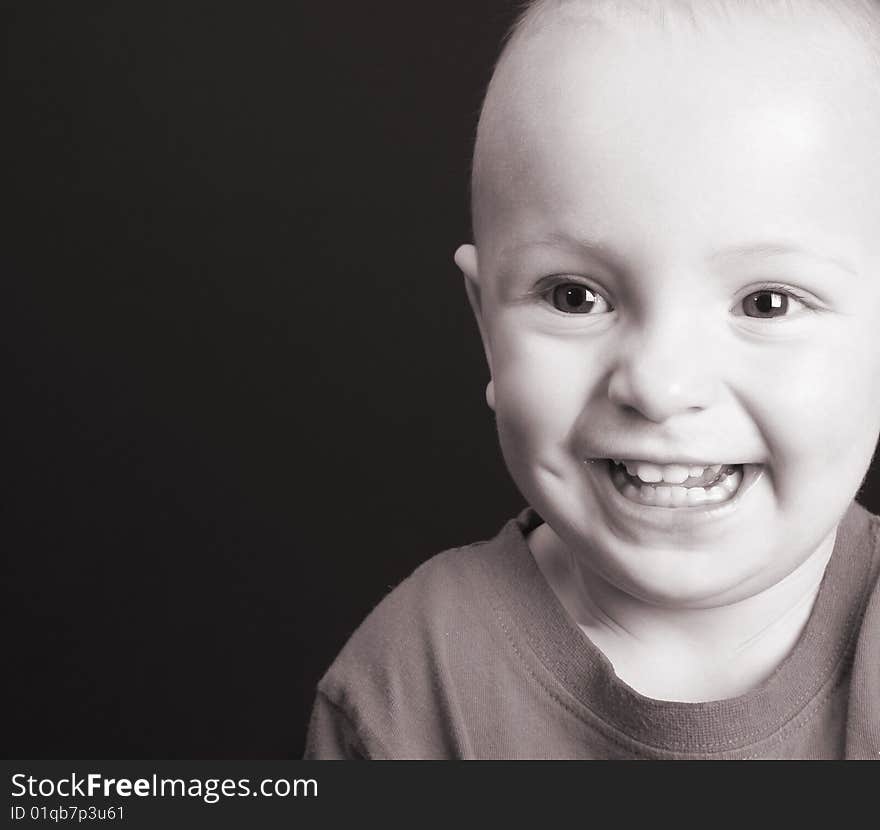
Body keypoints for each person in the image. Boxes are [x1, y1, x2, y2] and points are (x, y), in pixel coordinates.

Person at [304, 0, 880, 759]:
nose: (659, 384)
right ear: (486, 327)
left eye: (766, 303)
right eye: (575, 297)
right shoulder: (411, 685)